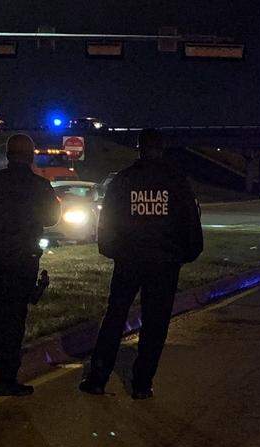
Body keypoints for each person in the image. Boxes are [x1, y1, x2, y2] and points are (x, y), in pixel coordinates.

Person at [79, 129, 204, 400]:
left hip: (129, 259)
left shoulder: (123, 180)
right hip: (164, 263)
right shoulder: (176, 182)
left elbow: (108, 220)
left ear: (139, 148)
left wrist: (110, 249)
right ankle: (142, 384)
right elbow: (190, 222)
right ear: (162, 148)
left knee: (115, 316)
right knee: (155, 323)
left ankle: (98, 377)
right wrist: (187, 253)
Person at [0, 134, 59, 396]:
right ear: (31, 155)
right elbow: (52, 218)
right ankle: (6, 377)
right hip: (22, 255)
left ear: (8, 155)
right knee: (14, 317)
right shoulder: (39, 185)